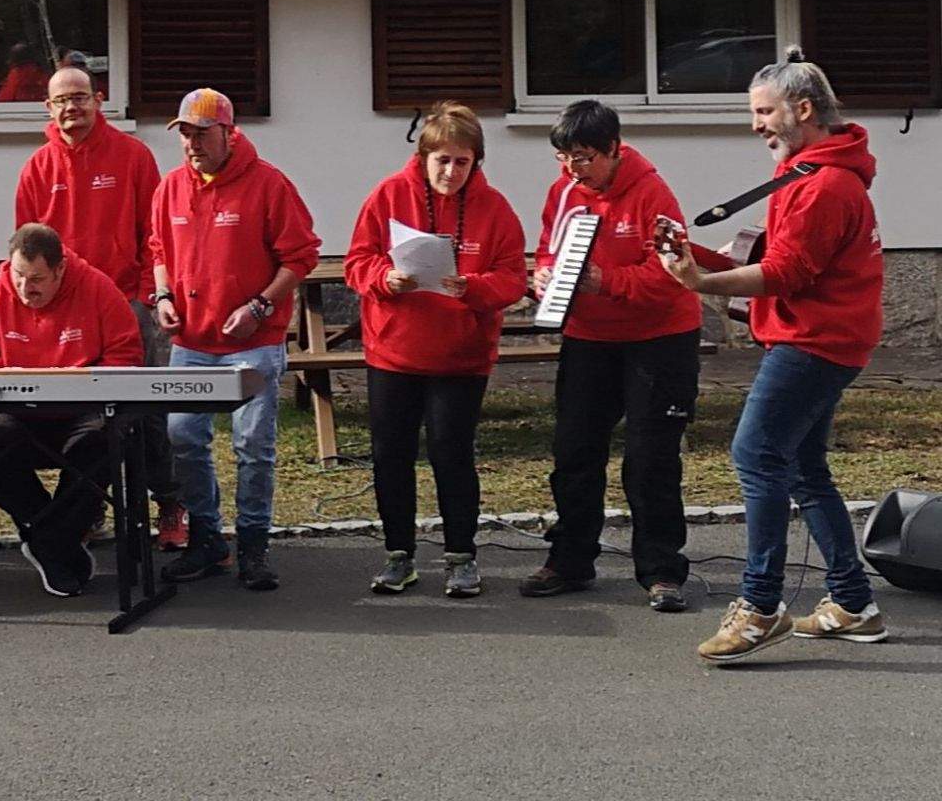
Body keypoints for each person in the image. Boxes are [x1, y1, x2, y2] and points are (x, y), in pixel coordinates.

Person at [665, 48, 888, 662]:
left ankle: (761, 606)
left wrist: (700, 283)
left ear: (804, 109)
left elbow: (785, 274)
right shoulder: (811, 173)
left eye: (764, 112)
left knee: (756, 454)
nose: (756, 124)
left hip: (816, 341)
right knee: (802, 469)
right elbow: (772, 262)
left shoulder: (824, 186)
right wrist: (694, 256)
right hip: (824, 337)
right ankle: (853, 603)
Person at [522, 101, 701, 611]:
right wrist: (543, 277)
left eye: (583, 158)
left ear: (614, 150)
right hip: (589, 337)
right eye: (563, 157)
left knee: (650, 458)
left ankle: (661, 570)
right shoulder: (562, 192)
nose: (572, 170)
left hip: (659, 338)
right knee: (574, 450)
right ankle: (571, 559)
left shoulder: (653, 193)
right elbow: (549, 248)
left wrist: (606, 281)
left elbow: (670, 275)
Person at [345, 103, 526, 598]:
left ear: (476, 162)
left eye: (462, 162)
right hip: (394, 351)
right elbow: (357, 261)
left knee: (452, 453)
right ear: (423, 157)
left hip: (461, 355)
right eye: (442, 160)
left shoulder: (495, 208)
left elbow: (513, 277)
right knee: (391, 455)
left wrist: (475, 287)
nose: (450, 172)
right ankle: (398, 554)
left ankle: (461, 557)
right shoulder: (388, 195)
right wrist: (384, 278)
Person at [149, 89, 320, 591]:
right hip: (192, 340)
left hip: (254, 341)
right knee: (183, 438)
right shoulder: (170, 188)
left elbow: (301, 255)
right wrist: (163, 296)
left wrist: (260, 306)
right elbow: (158, 248)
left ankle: (253, 544)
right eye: (185, 134)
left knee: (252, 444)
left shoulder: (268, 184)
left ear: (228, 132)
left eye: (202, 133)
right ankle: (207, 539)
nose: (192, 143)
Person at [12, 65, 179, 547]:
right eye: (62, 100)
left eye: (80, 97)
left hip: (128, 302)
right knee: (80, 416)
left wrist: (148, 296)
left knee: (148, 413)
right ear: (48, 108)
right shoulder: (37, 168)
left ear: (98, 100)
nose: (72, 107)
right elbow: (27, 248)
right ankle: (86, 510)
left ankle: (170, 505)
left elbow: (155, 234)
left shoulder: (133, 156)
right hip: (67, 312)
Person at [0, 224, 144, 597]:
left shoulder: (98, 289)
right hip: (16, 412)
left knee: (102, 442)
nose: (26, 288)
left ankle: (47, 542)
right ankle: (58, 543)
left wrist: (81, 384)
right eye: (18, 276)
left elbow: (125, 357)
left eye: (37, 279)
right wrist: (2, 378)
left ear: (60, 269)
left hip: (82, 411)